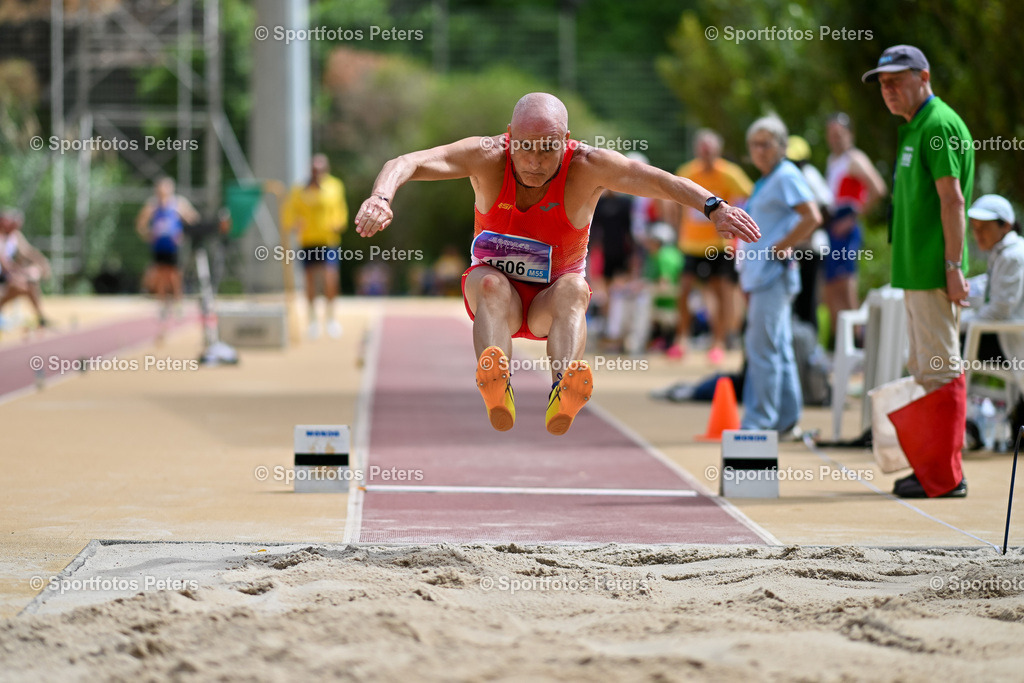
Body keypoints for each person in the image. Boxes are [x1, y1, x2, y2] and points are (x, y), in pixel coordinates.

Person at [353, 92, 760, 435]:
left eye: (547, 148)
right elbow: (404, 162)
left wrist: (713, 206)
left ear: (565, 140)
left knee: (577, 289)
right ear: (509, 137)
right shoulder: (486, 156)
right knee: (491, 284)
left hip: (552, 300)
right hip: (499, 299)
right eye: (524, 146)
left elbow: (654, 179)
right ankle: (497, 382)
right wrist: (381, 198)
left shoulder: (587, 167)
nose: (533, 160)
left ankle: (563, 387)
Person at [862, 44, 973, 498]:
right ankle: (931, 468)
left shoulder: (938, 125)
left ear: (923, 76)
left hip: (933, 271)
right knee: (926, 369)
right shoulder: (912, 127)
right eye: (883, 84)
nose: (888, 90)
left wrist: (952, 267)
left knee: (942, 369)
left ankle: (947, 478)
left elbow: (954, 200)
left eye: (896, 80)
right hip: (915, 272)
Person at [739, 115, 822, 435]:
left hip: (772, 276)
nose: (759, 150)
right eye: (754, 145)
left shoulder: (785, 175)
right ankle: (786, 419)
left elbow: (812, 216)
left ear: (782, 146)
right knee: (779, 348)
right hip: (764, 276)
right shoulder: (767, 179)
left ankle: (759, 423)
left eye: (765, 143)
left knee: (763, 349)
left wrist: (780, 246)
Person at [667, 129, 754, 364]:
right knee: (683, 290)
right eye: (702, 148)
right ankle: (681, 339)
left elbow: (751, 194)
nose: (706, 152)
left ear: (718, 150)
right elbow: (671, 200)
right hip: (691, 244)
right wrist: (676, 228)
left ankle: (718, 343)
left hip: (719, 245)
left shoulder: (729, 173)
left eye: (710, 148)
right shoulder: (687, 172)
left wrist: (737, 220)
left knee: (721, 293)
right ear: (697, 150)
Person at [961, 194, 1024, 442]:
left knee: (951, 346)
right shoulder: (1004, 253)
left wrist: (963, 322)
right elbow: (990, 289)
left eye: (985, 228)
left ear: (1005, 225)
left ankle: (959, 423)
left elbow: (1000, 309)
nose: (979, 234)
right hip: (1003, 335)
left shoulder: (1012, 256)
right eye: (975, 228)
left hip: (1011, 339)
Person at [823, 112, 888, 341]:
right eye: (831, 135)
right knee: (831, 287)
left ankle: (859, 340)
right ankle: (841, 342)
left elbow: (878, 188)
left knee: (845, 284)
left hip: (845, 224)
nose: (835, 139)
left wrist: (853, 218)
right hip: (833, 224)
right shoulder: (833, 160)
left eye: (839, 134)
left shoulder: (855, 159)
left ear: (849, 134)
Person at [280, 154, 349, 339]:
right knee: (310, 281)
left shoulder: (335, 186)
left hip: (328, 241)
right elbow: (289, 214)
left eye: (320, 169)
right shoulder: (299, 190)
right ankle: (312, 321)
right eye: (314, 169)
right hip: (308, 241)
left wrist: (338, 223)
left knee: (330, 279)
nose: (317, 173)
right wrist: (295, 224)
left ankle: (331, 319)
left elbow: (341, 211)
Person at [785, 134, 832, 332]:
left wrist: (808, 232)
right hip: (798, 246)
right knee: (797, 298)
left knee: (808, 298)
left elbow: (827, 210)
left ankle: (811, 345)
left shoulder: (810, 175)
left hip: (812, 247)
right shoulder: (789, 176)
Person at [135, 177, 199, 318]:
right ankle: (162, 304)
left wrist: (184, 231)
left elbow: (193, 218)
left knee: (175, 275)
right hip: (159, 245)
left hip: (173, 246)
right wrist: (147, 234)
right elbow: (140, 223)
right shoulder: (153, 205)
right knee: (161, 275)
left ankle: (177, 303)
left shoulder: (178, 204)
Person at [0, 209, 51, 328]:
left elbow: (28, 252)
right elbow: (5, 264)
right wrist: (23, 273)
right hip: (4, 277)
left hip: (6, 276)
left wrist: (42, 262)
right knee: (24, 284)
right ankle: (41, 317)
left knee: (30, 284)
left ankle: (41, 318)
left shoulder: (15, 236)